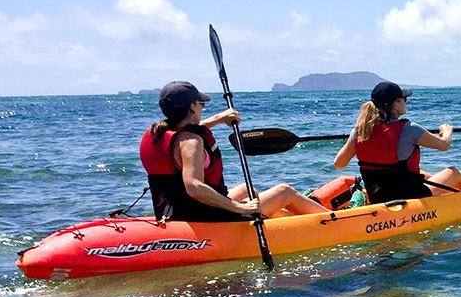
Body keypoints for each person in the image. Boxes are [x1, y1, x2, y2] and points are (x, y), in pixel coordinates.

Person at [140, 81, 326, 222]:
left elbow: (186, 132)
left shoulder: (155, 134)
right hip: (201, 216)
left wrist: (220, 119)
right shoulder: (191, 143)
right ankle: (339, 220)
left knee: (248, 189)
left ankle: (288, 222)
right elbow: (194, 187)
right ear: (192, 107)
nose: (202, 109)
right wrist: (239, 208)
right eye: (201, 105)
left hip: (171, 210)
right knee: (285, 191)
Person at [334, 81, 461, 204]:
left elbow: (339, 164)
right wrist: (446, 132)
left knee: (417, 172)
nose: (406, 102)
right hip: (412, 196)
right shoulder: (409, 129)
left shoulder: (359, 132)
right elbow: (444, 145)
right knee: (452, 173)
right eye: (404, 99)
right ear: (395, 105)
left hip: (378, 198)